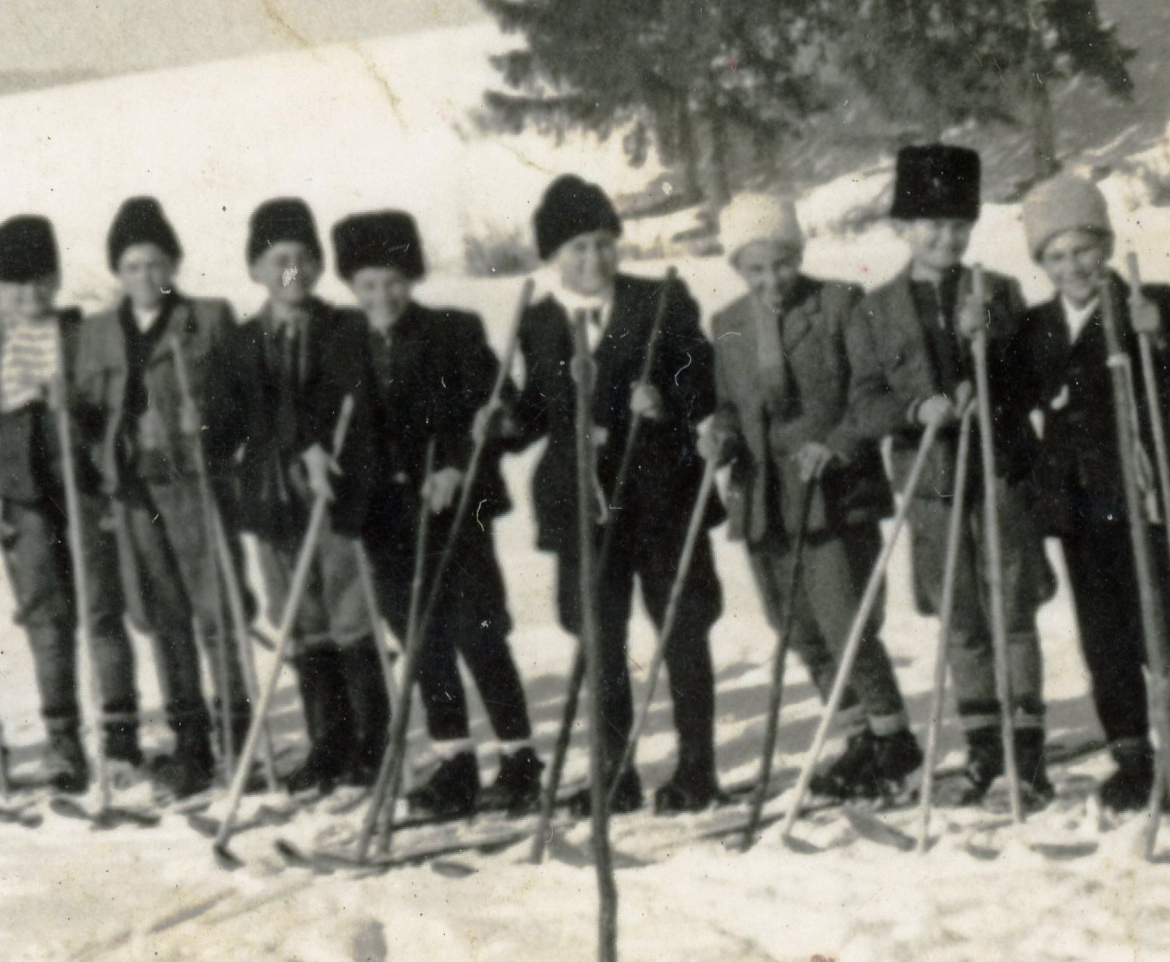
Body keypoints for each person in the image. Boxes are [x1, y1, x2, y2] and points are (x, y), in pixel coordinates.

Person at [504, 175, 723, 815]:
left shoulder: (661, 300)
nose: (593, 259)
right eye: (577, 247)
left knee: (681, 628)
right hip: (581, 504)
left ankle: (697, 768)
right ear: (553, 255)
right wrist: (505, 421)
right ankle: (614, 771)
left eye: (604, 243)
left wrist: (669, 400)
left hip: (661, 497)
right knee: (598, 637)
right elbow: (539, 408)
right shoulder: (539, 320)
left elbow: (702, 378)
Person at [847, 143, 1054, 808]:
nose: (946, 237)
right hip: (930, 481)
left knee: (1010, 609)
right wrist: (917, 409)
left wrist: (985, 347)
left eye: (959, 225)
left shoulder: (999, 291)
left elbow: (1028, 382)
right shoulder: (873, 310)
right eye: (931, 224)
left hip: (998, 471)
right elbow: (865, 404)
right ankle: (985, 749)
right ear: (902, 228)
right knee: (961, 617)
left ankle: (1027, 756)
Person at [702, 193, 923, 804]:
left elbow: (872, 394)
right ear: (737, 268)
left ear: (798, 255)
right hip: (765, 499)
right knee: (798, 629)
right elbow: (729, 408)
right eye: (756, 269)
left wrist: (838, 445)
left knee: (846, 623)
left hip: (832, 489)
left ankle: (895, 743)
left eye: (782, 264)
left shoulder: (839, 303)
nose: (772, 280)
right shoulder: (728, 323)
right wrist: (719, 435)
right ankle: (858, 739)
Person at [336, 209, 539, 819]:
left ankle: (520, 760)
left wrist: (457, 463)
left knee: (479, 632)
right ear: (352, 286)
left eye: (394, 281)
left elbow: (492, 407)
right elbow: (328, 421)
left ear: (413, 277)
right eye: (368, 284)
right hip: (385, 517)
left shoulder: (453, 329)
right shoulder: (342, 343)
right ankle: (455, 765)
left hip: (456, 508)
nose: (383, 296)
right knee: (421, 642)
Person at [1013, 173, 1170, 815]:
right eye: (1056, 256)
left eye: (1084, 250)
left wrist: (1159, 336)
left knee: (1160, 627)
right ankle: (1132, 756)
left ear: (1108, 246)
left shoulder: (1150, 300)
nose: (1073, 267)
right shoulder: (1036, 325)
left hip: (1141, 491)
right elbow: (1007, 391)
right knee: (1103, 636)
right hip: (1077, 503)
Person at [70, 196, 253, 800]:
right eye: (132, 266)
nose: (145, 276)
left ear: (173, 264)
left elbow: (242, 398)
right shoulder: (96, 333)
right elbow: (85, 413)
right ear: (117, 273)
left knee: (218, 610)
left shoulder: (209, 318)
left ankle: (238, 734)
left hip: (196, 486)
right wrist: (94, 442)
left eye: (155, 263)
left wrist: (215, 426)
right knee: (162, 615)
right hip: (134, 492)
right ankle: (190, 739)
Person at [226, 199, 384, 796]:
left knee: (350, 613)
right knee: (300, 620)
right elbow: (224, 423)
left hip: (336, 493)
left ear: (317, 267)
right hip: (274, 502)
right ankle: (328, 744)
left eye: (301, 258)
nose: (290, 271)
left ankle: (372, 744)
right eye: (277, 260)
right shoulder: (240, 343)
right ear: (255, 270)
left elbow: (357, 401)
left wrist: (320, 444)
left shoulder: (346, 329)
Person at [0, 214, 121, 793]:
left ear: (55, 279)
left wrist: (73, 404)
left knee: (100, 610)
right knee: (46, 621)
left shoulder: (86, 334)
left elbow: (112, 411)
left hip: (86, 491)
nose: (28, 294)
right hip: (24, 501)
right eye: (14, 284)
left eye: (38, 280)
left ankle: (120, 737)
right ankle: (63, 742)